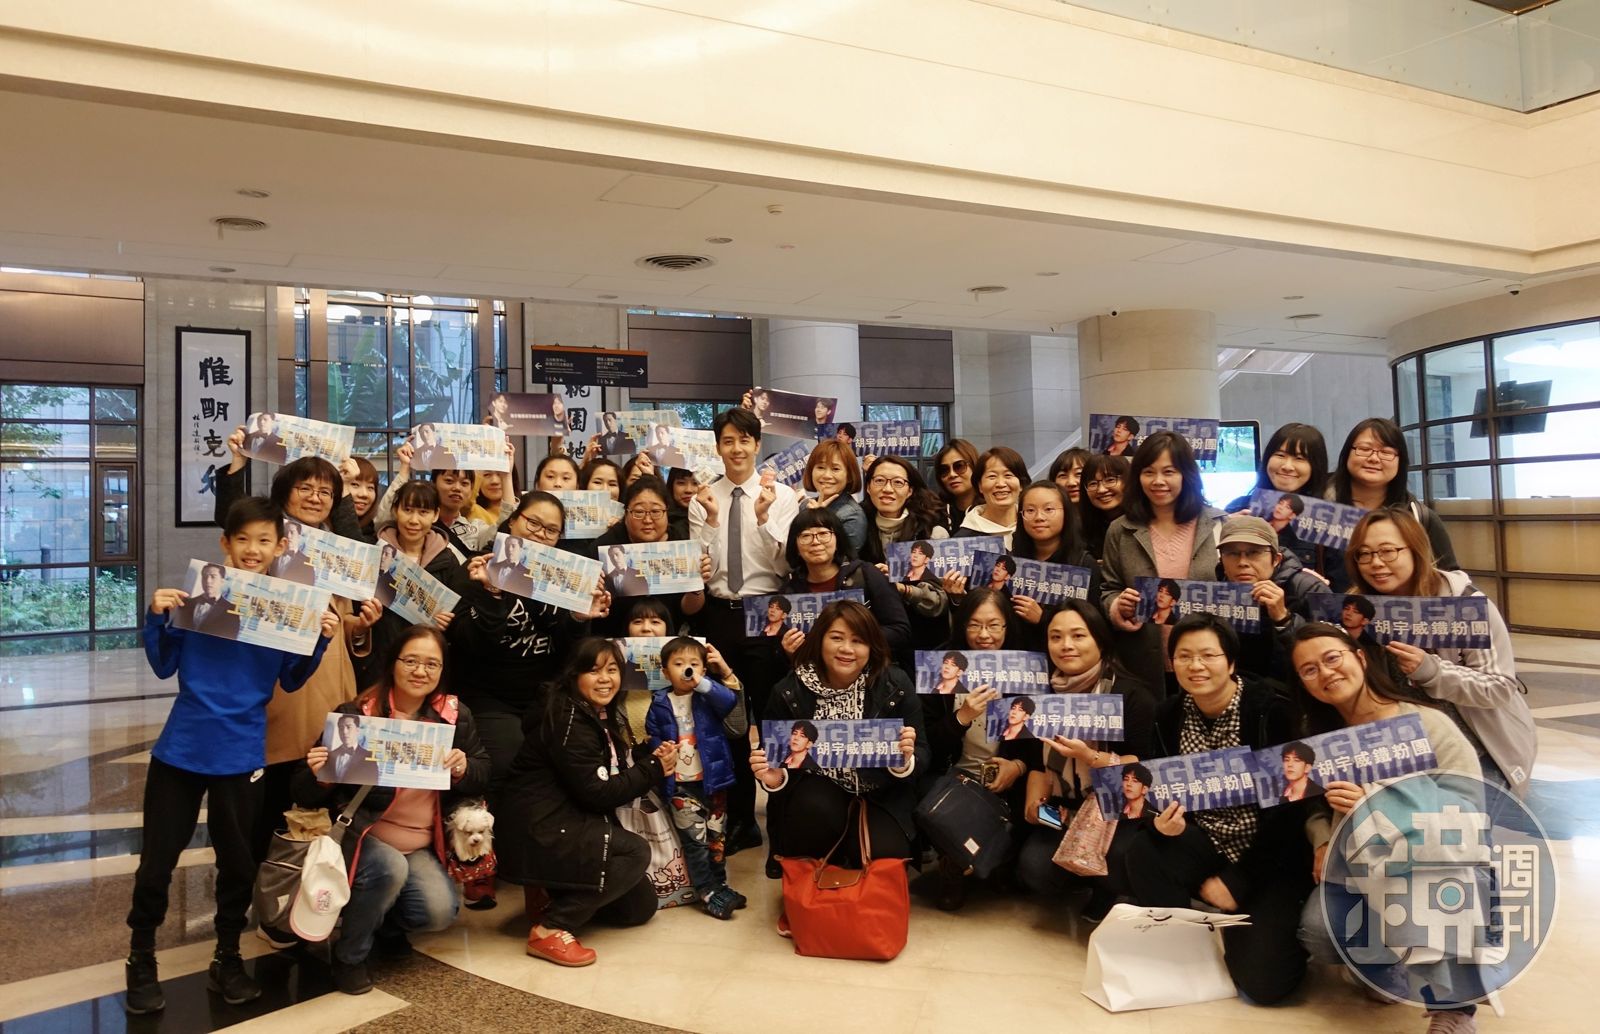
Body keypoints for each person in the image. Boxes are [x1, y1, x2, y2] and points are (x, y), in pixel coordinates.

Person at [125, 497, 336, 1015]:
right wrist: (155, 616)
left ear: (280, 547)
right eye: (243, 539)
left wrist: (318, 640)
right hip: (183, 747)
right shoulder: (200, 596)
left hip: (242, 752)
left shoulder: (284, 607)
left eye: (264, 540)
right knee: (157, 862)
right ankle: (141, 958)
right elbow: (163, 664)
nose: (252, 549)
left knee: (238, 865)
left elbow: (291, 679)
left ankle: (227, 957)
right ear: (226, 543)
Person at [1286, 622, 1487, 1029]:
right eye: (1309, 670)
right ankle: (1380, 968)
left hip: (1429, 862)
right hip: (1357, 868)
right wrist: (1322, 840)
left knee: (1435, 899)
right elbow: (1310, 807)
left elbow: (1468, 809)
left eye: (1332, 659)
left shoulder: (1426, 724)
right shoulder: (1320, 740)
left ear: (1360, 658)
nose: (1325, 673)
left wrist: (1376, 804)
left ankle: (1453, 1008)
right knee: (1320, 932)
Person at [1121, 614, 1314, 1006]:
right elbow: (1158, 788)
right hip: (1206, 840)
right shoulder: (1168, 714)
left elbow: (1291, 813)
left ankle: (1271, 928)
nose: (1196, 666)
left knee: (1263, 985)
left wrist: (1239, 880)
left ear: (1231, 662)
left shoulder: (1272, 710)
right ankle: (1182, 942)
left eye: (1208, 655)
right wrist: (1161, 823)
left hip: (1268, 854)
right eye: (1184, 656)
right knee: (1143, 849)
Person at [295, 624, 489, 993]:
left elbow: (483, 772)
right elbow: (302, 791)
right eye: (411, 661)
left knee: (439, 911)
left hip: (420, 843)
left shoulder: (453, 716)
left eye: (431, 664)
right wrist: (319, 774)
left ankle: (384, 925)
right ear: (393, 663)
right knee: (389, 867)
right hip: (364, 835)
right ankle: (350, 956)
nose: (420, 671)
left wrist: (464, 767)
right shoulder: (357, 714)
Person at [213, 439, 368, 879]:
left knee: (322, 787)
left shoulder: (337, 550)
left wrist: (359, 626)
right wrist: (237, 465)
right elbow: (235, 529)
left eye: (325, 491)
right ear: (285, 493)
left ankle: (313, 889)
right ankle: (264, 885)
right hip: (283, 684)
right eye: (305, 488)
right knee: (276, 790)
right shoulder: (273, 544)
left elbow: (345, 613)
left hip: (332, 680)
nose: (315, 498)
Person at [752, 600, 926, 934]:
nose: (847, 649)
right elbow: (777, 762)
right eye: (836, 638)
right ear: (819, 640)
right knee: (813, 809)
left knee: (885, 853)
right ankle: (807, 895)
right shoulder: (789, 690)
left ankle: (847, 880)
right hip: (817, 792)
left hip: (880, 792)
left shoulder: (894, 683)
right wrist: (773, 778)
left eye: (858, 640)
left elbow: (923, 752)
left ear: (871, 646)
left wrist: (904, 761)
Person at [501, 639, 676, 967]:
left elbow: (607, 772)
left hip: (565, 817)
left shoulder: (592, 711)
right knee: (634, 852)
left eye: (612, 670)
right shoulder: (569, 718)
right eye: (593, 671)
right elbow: (597, 793)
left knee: (640, 908)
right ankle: (552, 927)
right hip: (540, 826)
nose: (605, 679)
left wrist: (648, 758)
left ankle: (553, 893)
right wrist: (653, 768)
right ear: (574, 675)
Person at [1345, 507, 1534, 796]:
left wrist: (1432, 671)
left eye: (1388, 551)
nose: (1376, 563)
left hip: (1479, 749)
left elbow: (1498, 687)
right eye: (1365, 554)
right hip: (1401, 753)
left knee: (1461, 820)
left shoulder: (1465, 605)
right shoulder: (1355, 609)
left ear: (1416, 550)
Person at [688, 406, 802, 855]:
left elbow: (784, 564)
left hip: (766, 611)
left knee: (773, 717)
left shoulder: (783, 496)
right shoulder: (703, 497)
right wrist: (713, 521)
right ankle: (740, 820)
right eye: (727, 441)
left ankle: (783, 817)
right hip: (719, 613)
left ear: (757, 444)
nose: (736, 448)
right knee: (729, 720)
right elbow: (702, 568)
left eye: (744, 440)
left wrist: (763, 517)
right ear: (718, 447)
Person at [1102, 431, 1224, 693]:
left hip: (1207, 663)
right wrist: (1117, 606)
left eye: (1169, 472)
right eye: (1148, 472)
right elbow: (1108, 588)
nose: (1158, 481)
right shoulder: (1120, 530)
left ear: (1186, 475)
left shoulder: (1217, 524)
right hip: (1143, 663)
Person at [644, 636, 747, 920]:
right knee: (695, 842)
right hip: (680, 785)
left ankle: (720, 884)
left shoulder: (708, 695)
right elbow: (653, 734)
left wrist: (703, 683)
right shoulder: (660, 701)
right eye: (678, 664)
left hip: (714, 781)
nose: (686, 669)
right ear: (665, 672)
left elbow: (729, 701)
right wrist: (659, 750)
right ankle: (707, 891)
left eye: (693, 664)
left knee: (717, 837)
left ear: (703, 668)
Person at [1328, 417, 1458, 590]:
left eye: (1386, 452)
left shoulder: (1418, 517)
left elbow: (1450, 580)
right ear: (1346, 454)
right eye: (1364, 449)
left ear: (1400, 461)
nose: (1374, 458)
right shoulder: (1318, 508)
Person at [362, 481, 469, 687]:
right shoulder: (374, 552)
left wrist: (449, 622)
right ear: (395, 510)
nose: (414, 520)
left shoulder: (448, 561)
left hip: (423, 669)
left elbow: (460, 620)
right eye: (408, 510)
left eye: (423, 512)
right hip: (379, 663)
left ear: (435, 515)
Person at [775, 506, 912, 657]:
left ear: (838, 540)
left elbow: (900, 630)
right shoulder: (789, 592)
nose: (815, 541)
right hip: (814, 668)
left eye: (823, 534)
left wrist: (854, 640)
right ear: (795, 546)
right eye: (806, 536)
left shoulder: (867, 574)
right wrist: (788, 651)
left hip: (869, 665)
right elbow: (778, 649)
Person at [1214, 513, 1329, 682]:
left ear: (1276, 559)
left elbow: (1331, 651)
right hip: (1238, 688)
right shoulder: (1212, 591)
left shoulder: (1308, 588)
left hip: (1296, 688)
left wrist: (1284, 618)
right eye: (1232, 553)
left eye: (1254, 552)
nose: (1242, 562)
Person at [586, 476, 703, 636]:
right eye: (639, 512)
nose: (648, 520)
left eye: (655, 512)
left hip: (667, 641)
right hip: (612, 638)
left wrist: (696, 587)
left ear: (667, 511)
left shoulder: (681, 546)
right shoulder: (604, 548)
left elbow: (688, 610)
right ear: (626, 514)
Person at [858, 456, 951, 658]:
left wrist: (902, 588)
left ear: (910, 490)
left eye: (898, 482)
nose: (887, 489)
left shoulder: (931, 533)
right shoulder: (857, 528)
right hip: (871, 642)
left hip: (923, 643)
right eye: (879, 480)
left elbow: (940, 601)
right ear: (869, 487)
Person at [1225, 421, 1329, 572]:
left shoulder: (1325, 519)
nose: (1287, 466)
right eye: (1280, 455)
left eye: (1299, 458)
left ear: (1315, 466)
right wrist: (1223, 528)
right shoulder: (1238, 507)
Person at [801, 439, 868, 554]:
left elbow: (842, 560)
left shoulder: (852, 515)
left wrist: (817, 520)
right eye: (820, 467)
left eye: (835, 469)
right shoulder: (805, 506)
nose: (827, 475)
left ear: (849, 476)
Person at [954, 446, 1028, 548]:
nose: (1001, 484)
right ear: (980, 486)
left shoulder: (1034, 528)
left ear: (1021, 484)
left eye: (1008, 475)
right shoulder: (963, 541)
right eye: (992, 476)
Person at [178, 562, 240, 639]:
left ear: (222, 581)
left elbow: (229, 641)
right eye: (204, 577)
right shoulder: (187, 603)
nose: (208, 581)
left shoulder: (232, 610)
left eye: (213, 577)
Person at [933, 439, 981, 530]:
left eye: (959, 466)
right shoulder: (934, 514)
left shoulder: (991, 510)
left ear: (974, 466)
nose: (952, 474)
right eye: (944, 470)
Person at [324, 713, 381, 784]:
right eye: (341, 728)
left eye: (349, 727)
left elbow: (372, 784)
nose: (344, 732)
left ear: (357, 730)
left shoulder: (369, 756)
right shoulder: (330, 755)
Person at [270, 519, 316, 585]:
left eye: (292, 532)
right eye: (286, 532)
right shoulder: (273, 553)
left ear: (299, 536)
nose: (288, 536)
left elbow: (309, 584)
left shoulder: (307, 562)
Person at [346, 456, 381, 543]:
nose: (364, 494)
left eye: (370, 488)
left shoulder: (373, 536)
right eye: (355, 484)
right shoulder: (319, 526)